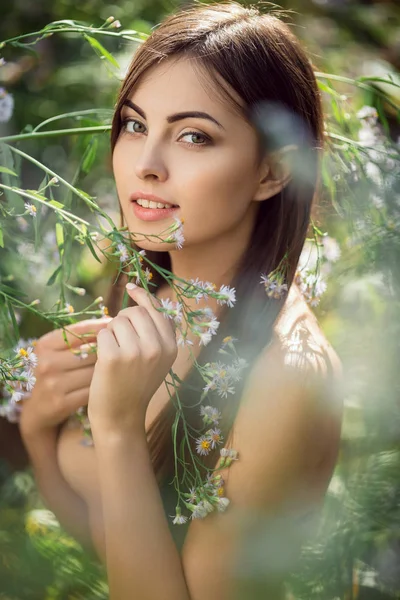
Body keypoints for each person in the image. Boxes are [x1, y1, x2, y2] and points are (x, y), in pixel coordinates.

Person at [19, 2, 343, 598]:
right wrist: (39, 432)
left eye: (194, 136)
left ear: (272, 172)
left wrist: (116, 430)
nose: (145, 165)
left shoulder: (283, 375)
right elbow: (113, 547)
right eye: (136, 126)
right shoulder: (149, 288)